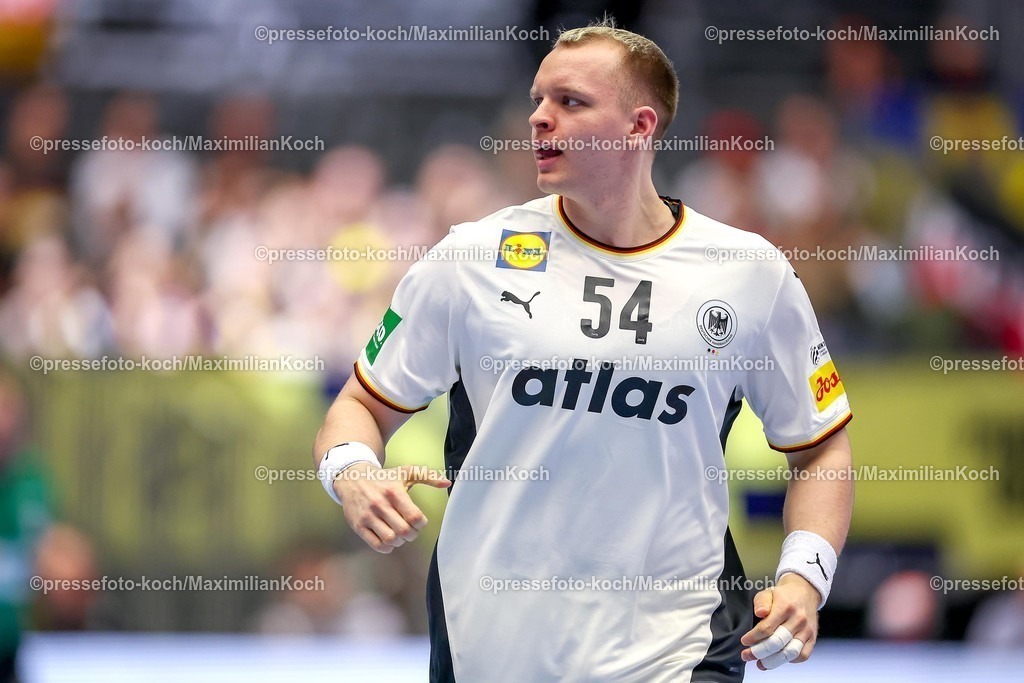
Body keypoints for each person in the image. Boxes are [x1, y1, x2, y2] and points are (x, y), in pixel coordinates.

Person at [313, 19, 854, 682]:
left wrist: (805, 577)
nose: (539, 119)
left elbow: (821, 443)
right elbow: (360, 404)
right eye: (538, 100)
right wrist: (351, 470)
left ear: (640, 126)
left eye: (571, 102)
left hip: (679, 642)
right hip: (490, 638)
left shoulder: (749, 272)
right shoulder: (472, 258)